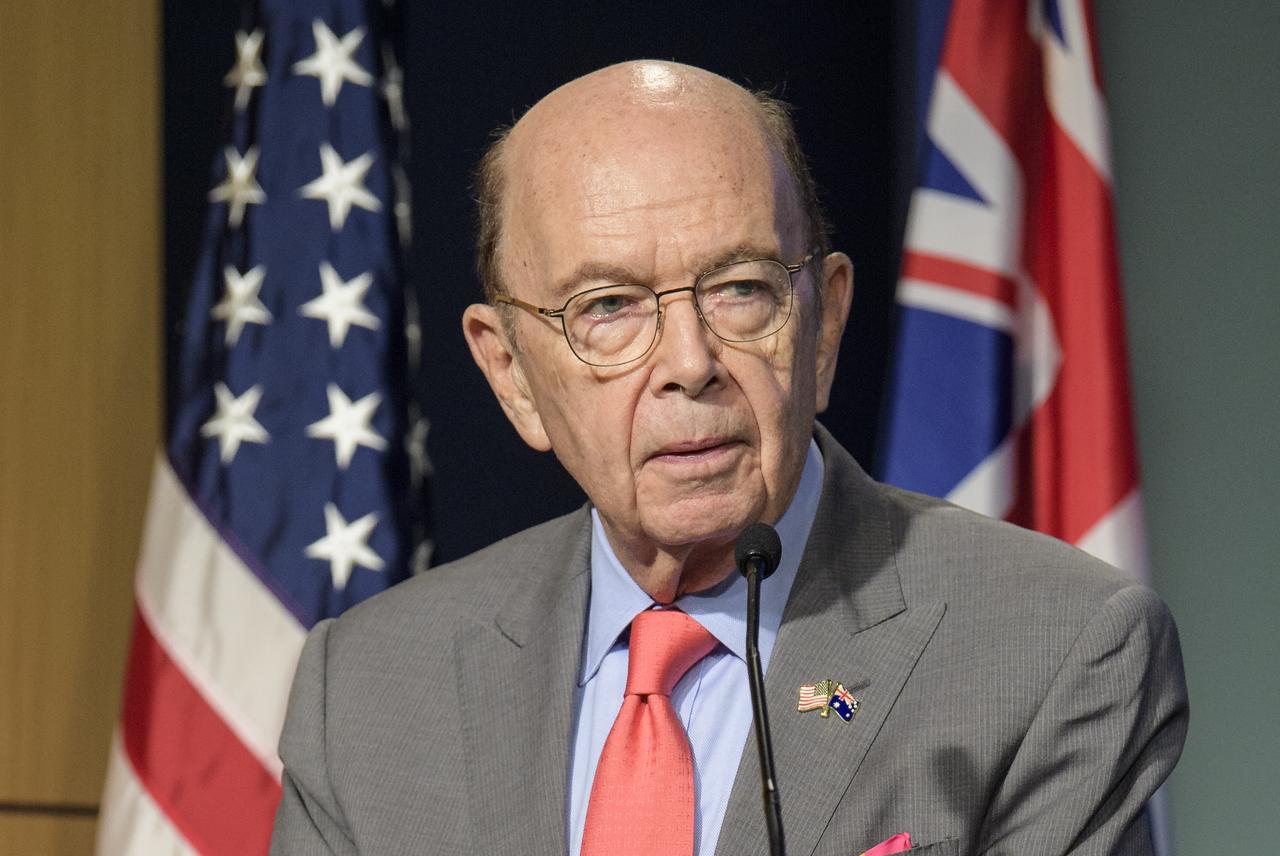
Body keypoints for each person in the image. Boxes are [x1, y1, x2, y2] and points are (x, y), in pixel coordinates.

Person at [270, 61, 1187, 856]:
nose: (690, 362)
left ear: (824, 325)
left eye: (741, 289)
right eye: (607, 307)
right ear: (510, 372)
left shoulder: (1054, 652)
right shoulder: (367, 692)